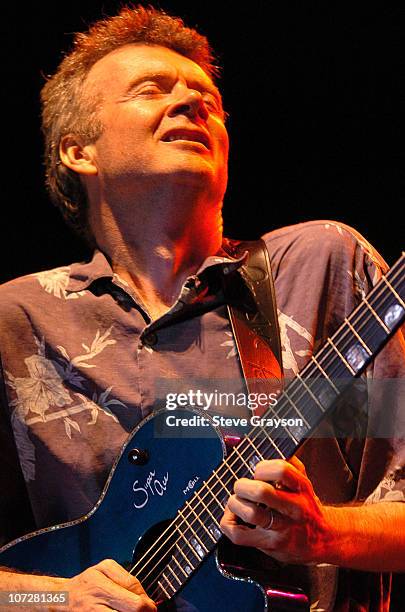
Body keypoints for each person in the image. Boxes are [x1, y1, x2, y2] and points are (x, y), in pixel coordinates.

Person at [0, 5, 404, 611]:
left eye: (207, 98)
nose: (193, 103)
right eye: (153, 90)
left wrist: (324, 534)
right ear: (78, 151)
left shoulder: (320, 270)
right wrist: (52, 600)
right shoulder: (18, 320)